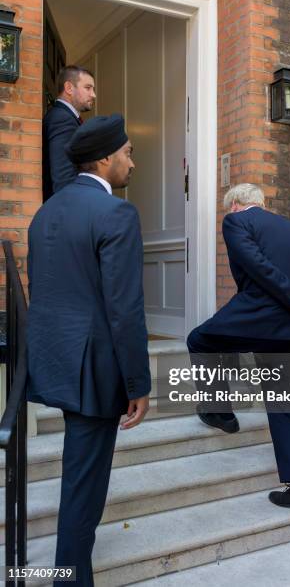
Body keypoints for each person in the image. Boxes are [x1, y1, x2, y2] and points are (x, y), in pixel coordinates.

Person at [27, 114, 151, 586]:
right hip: (93, 368)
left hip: (54, 358)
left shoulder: (46, 211)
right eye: (128, 153)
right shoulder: (116, 212)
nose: (131, 163)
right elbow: (125, 307)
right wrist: (137, 381)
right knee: (84, 483)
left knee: (80, 475)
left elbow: (46, 288)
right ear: (105, 159)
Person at [187, 183, 290, 511]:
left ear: (237, 204)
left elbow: (255, 264)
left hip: (259, 317)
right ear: (262, 203)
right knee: (280, 394)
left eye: (229, 207)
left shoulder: (236, 221)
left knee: (199, 339)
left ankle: (219, 410)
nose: (229, 212)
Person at [43, 65, 96, 200]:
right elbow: (63, 179)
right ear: (69, 88)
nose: (93, 94)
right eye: (88, 88)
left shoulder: (65, 117)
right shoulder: (62, 119)